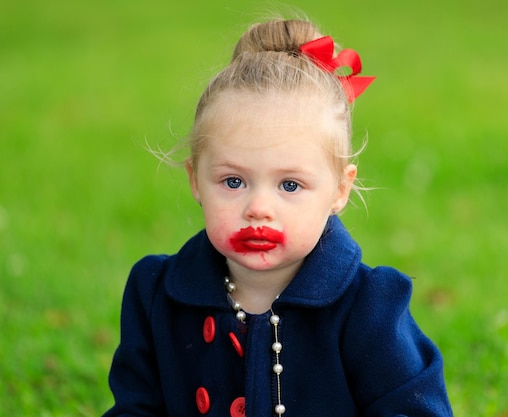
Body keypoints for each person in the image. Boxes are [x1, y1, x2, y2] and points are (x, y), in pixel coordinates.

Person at [103, 18, 453, 417]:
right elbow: (136, 407)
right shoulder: (158, 296)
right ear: (195, 179)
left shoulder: (369, 307)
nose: (258, 207)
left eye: (290, 185)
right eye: (233, 181)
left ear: (339, 189)